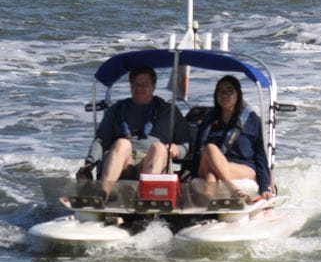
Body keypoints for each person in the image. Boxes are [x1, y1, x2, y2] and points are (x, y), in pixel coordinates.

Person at [76, 65, 191, 198]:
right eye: (135, 84)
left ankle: (146, 199)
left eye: (145, 84)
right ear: (130, 86)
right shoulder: (117, 109)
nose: (139, 88)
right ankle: (102, 195)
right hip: (122, 160)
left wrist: (177, 150)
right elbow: (101, 139)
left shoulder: (169, 112)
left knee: (159, 148)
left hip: (152, 161)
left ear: (154, 86)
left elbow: (186, 145)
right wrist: (89, 164)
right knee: (122, 143)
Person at [190, 75, 273, 203]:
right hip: (208, 163)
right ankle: (232, 190)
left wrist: (265, 186)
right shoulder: (208, 120)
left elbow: (260, 155)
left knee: (212, 175)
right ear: (216, 95)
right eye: (221, 91)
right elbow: (198, 151)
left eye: (230, 91)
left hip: (242, 167)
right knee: (210, 148)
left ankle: (208, 204)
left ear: (238, 94)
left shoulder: (252, 121)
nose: (225, 95)